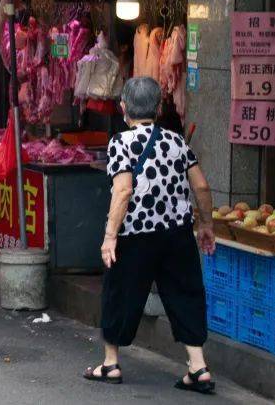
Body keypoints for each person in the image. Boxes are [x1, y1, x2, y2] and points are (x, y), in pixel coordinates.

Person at [84, 77, 217, 393]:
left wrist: (110, 236)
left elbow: (123, 189)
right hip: (176, 232)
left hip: (136, 234)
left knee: (120, 292)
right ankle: (198, 367)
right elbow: (201, 186)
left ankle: (111, 363)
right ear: (159, 108)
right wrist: (207, 224)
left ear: (123, 108)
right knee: (185, 293)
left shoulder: (120, 142)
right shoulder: (177, 141)